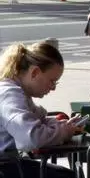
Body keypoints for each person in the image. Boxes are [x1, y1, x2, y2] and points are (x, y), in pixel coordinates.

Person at [0, 42, 81, 178]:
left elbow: (38, 120)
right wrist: (63, 132)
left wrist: (63, 126)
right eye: (52, 81)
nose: (53, 87)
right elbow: (31, 137)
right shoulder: (9, 94)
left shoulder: (17, 91)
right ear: (35, 72)